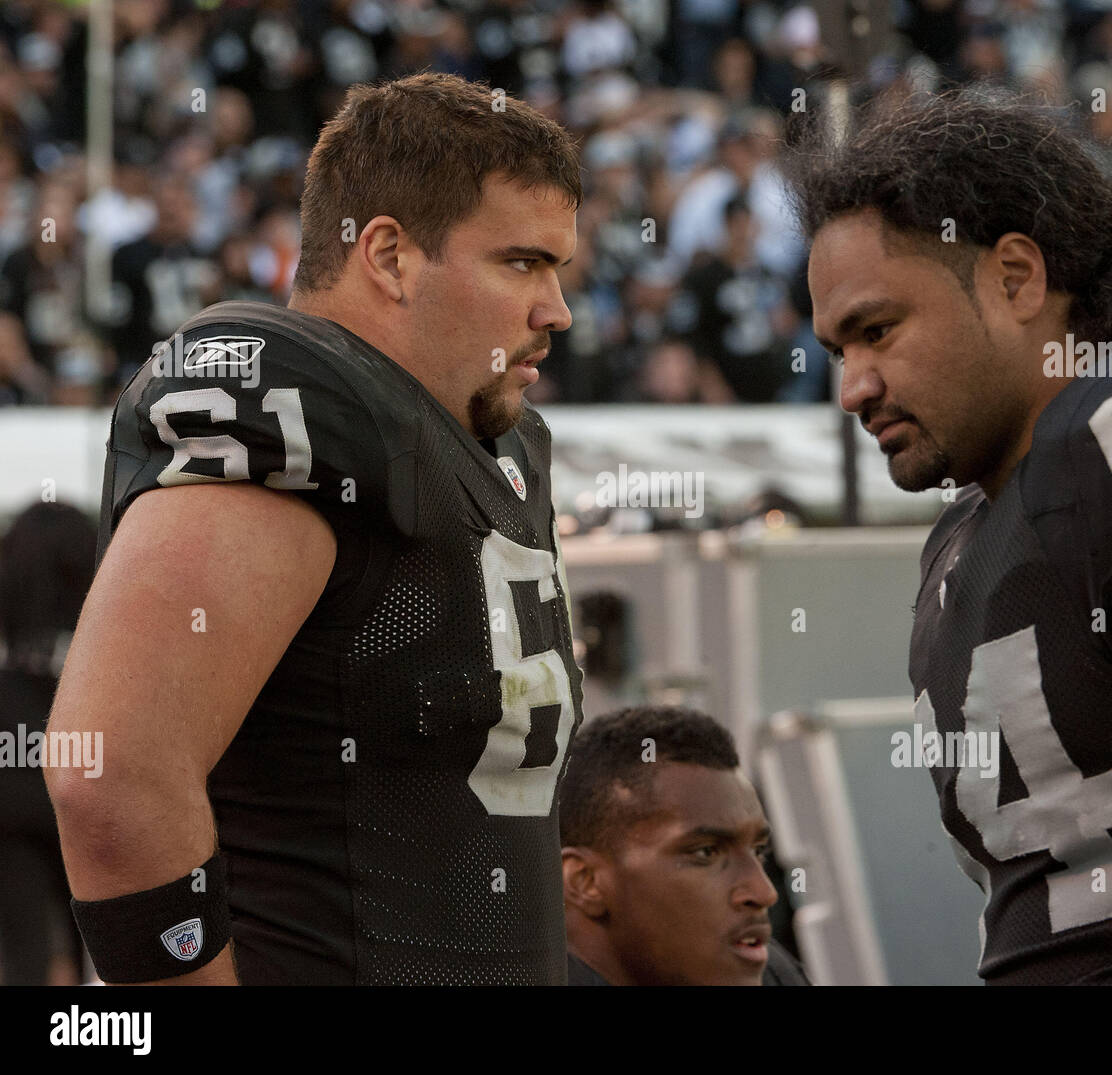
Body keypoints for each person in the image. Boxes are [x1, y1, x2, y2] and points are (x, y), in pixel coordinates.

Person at [45, 72, 585, 986]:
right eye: (521, 262)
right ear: (389, 255)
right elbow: (109, 773)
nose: (556, 310)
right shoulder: (298, 405)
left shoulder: (493, 444)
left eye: (559, 269)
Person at [788, 89, 1112, 985]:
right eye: (838, 351)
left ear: (1016, 278)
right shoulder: (965, 540)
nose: (854, 388)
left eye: (878, 329)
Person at [558, 705, 811, 986]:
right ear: (585, 882)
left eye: (758, 851)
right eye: (706, 852)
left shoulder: (772, 973)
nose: (764, 893)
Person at [0, 502, 96, 985]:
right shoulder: (98, 616)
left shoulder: (13, 598)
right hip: (86, 776)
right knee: (98, 933)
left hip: (11, 784)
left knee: (26, 945)